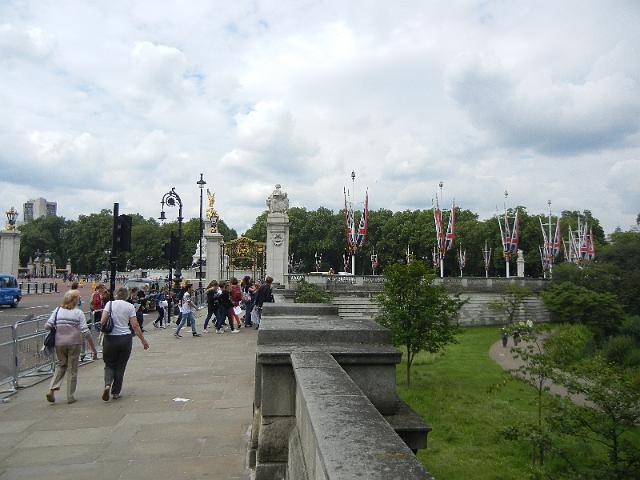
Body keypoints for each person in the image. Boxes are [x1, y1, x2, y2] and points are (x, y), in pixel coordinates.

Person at [45, 290, 98, 404]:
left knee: (61, 365)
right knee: (72, 369)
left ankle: (52, 389)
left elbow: (47, 326)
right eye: (78, 298)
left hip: (59, 343)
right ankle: (70, 396)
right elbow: (85, 331)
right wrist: (93, 349)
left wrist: (60, 326)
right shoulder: (78, 313)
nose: (79, 300)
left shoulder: (57, 310)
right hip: (74, 343)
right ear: (74, 300)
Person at [100, 286, 149, 401]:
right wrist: (143, 340)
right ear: (127, 296)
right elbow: (135, 325)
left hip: (110, 338)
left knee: (109, 364)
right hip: (125, 338)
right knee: (121, 366)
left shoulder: (109, 304)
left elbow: (102, 321)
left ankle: (107, 384)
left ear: (116, 294)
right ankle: (116, 392)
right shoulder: (130, 306)